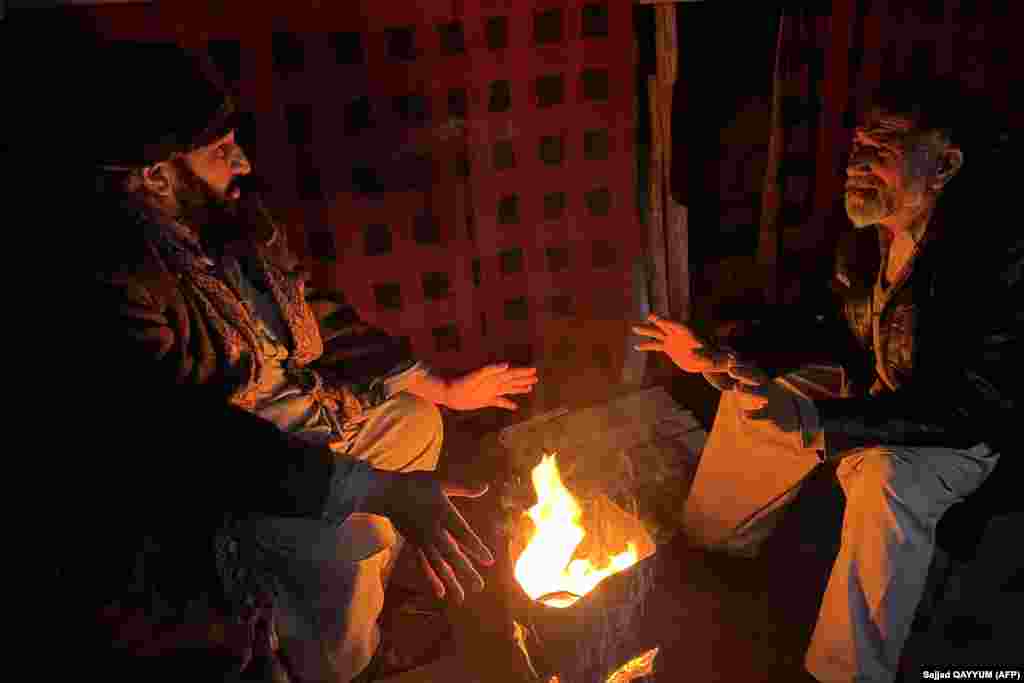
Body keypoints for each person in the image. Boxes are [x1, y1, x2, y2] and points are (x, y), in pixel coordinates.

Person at [63, 42, 537, 682]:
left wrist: (442, 386)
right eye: (220, 149)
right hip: (240, 461)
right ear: (156, 175)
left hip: (313, 416)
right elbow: (188, 435)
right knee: (354, 541)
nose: (244, 161)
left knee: (418, 420)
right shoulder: (123, 279)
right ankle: (335, 660)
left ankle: (353, 599)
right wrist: (368, 487)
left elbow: (318, 314)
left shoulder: (236, 225)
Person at [632, 77, 1020, 682]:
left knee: (885, 479)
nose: (858, 161)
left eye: (885, 145)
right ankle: (705, 565)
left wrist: (823, 424)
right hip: (879, 395)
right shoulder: (866, 244)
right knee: (756, 400)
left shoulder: (997, 256)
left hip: (965, 435)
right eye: (859, 142)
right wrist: (724, 355)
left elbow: (972, 402)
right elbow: (828, 330)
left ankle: (841, 673)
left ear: (943, 166)